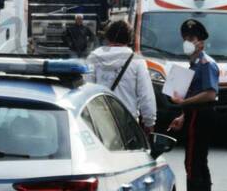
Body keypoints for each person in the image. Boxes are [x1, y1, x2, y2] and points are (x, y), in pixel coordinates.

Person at [168, 19, 219, 191]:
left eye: (192, 38)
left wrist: (184, 103)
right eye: (186, 38)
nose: (188, 42)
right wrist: (183, 115)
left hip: (201, 115)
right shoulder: (194, 63)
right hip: (194, 115)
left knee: (193, 162)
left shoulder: (206, 64)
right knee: (197, 161)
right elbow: (195, 92)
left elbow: (210, 93)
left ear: (201, 42)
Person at [86, 20, 156, 133]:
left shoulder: (94, 57)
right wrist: (149, 122)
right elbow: (146, 94)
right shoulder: (136, 61)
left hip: (100, 121)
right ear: (129, 38)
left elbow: (86, 89)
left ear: (108, 36)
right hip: (127, 121)